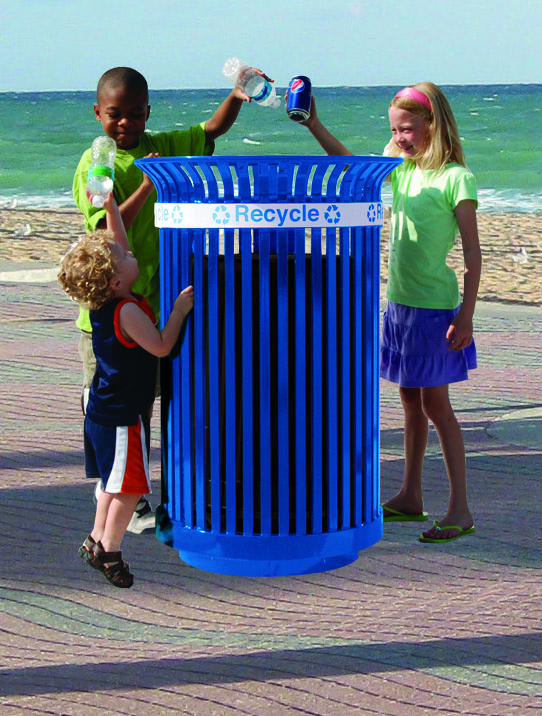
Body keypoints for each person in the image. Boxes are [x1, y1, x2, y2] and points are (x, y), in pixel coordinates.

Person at [73, 65, 269, 531]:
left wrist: (237, 95)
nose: (126, 125)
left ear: (148, 113)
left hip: (158, 313)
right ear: (99, 112)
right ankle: (116, 508)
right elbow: (104, 228)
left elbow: (211, 130)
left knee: (163, 407)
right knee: (119, 416)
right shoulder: (95, 163)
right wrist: (148, 184)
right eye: (115, 115)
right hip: (109, 320)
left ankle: (163, 500)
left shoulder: (159, 145)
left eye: (136, 114)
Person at [297, 82, 481, 543]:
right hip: (399, 305)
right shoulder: (400, 169)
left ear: (432, 125)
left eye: (408, 129)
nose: (399, 138)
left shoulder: (455, 177)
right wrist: (314, 123)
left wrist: (468, 314)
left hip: (435, 309)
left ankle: (460, 508)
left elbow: (475, 256)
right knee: (409, 401)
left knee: (437, 405)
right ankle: (410, 496)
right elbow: (352, 169)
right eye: (394, 130)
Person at [58, 193, 194, 587]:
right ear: (117, 280)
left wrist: (111, 207)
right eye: (127, 258)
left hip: (103, 409)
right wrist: (178, 312)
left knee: (110, 484)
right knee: (129, 487)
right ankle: (111, 551)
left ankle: (96, 538)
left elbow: (120, 243)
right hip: (120, 417)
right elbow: (162, 346)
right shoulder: (128, 311)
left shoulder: (107, 300)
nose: (132, 254)